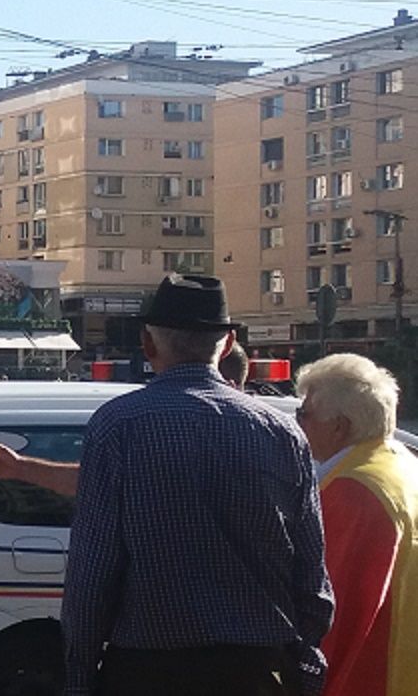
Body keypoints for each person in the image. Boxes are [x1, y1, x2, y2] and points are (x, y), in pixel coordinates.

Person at [53, 275, 331, 696]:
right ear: (228, 343)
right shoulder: (282, 433)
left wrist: (80, 674)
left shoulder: (118, 426)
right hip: (256, 670)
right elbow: (312, 574)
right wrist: (301, 659)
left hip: (147, 671)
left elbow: (93, 571)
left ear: (147, 344)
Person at [294, 354, 418, 696]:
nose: (297, 424)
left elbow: (331, 612)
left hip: (370, 675)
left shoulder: (352, 491)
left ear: (340, 426)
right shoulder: (403, 464)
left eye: (304, 414)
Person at [0, 341, 254, 496]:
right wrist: (20, 468)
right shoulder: (273, 430)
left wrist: (21, 469)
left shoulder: (138, 423)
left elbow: (102, 482)